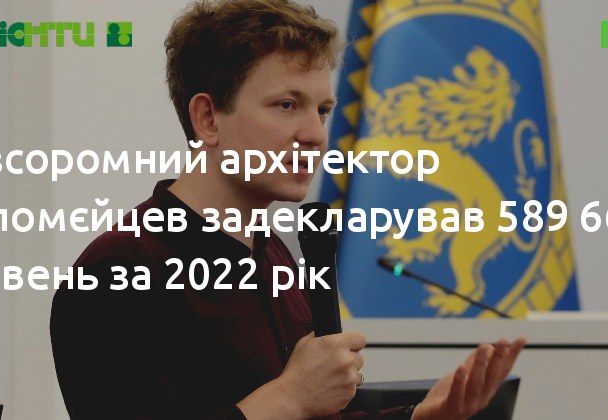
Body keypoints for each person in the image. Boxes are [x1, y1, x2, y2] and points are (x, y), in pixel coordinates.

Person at [49, 0, 526, 419]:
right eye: (286, 105)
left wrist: (421, 417)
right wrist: (289, 397)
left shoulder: (274, 253)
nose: (316, 135)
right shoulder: (121, 268)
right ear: (208, 118)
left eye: (322, 110)